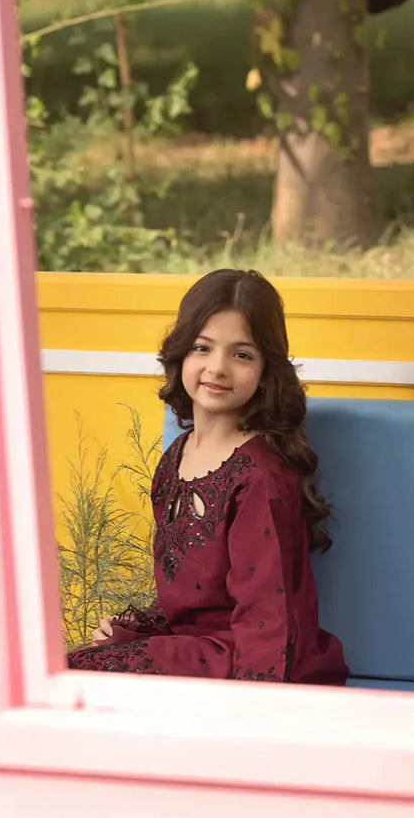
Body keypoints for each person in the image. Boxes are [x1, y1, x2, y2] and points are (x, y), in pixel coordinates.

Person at [67, 269, 348, 685]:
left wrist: (258, 708)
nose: (217, 368)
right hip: (197, 649)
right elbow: (191, 602)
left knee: (78, 672)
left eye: (242, 354)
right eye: (202, 348)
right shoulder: (176, 457)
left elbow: (268, 619)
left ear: (265, 370)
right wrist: (133, 634)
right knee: (73, 662)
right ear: (181, 353)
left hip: (246, 659)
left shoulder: (259, 477)